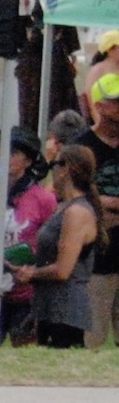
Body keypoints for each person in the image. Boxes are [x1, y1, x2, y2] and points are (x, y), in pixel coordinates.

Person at [13, 145, 105, 348]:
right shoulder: (63, 207)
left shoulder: (76, 213)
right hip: (49, 307)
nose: (51, 171)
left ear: (66, 169)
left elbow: (63, 270)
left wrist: (32, 274)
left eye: (54, 165)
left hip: (65, 310)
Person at [0, 134, 56, 346]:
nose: (5, 157)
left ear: (28, 161)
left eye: (13, 153)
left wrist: (36, 270)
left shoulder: (43, 199)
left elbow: (52, 245)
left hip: (26, 293)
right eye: (2, 151)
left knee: (26, 351)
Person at [80, 74, 119, 348]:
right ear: (100, 106)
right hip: (98, 262)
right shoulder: (83, 147)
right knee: (92, 341)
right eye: (117, 102)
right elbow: (72, 196)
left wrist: (104, 202)